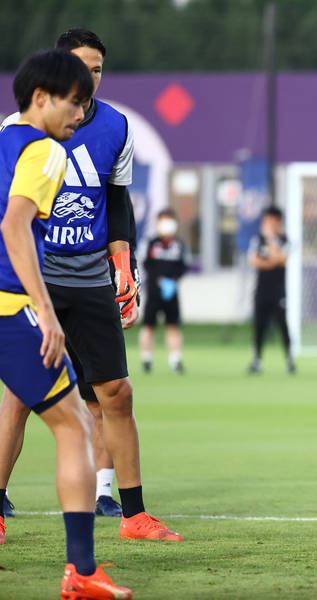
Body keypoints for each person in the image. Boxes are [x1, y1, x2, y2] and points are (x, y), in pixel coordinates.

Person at [0, 29, 183, 540]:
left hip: (88, 276)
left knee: (115, 393)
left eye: (97, 70)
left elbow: (118, 202)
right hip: (33, 277)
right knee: (24, 398)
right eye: (81, 69)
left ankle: (133, 514)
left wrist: (124, 266)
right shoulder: (21, 133)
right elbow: (12, 219)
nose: (90, 80)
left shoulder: (117, 127)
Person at [0, 48, 132, 598]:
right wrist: (45, 310)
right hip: (10, 307)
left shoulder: (1, 139)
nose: (80, 115)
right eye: (74, 104)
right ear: (41, 98)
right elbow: (14, 226)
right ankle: (81, 572)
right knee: (74, 425)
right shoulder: (46, 151)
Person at [139, 208, 188, 374]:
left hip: (171, 291)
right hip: (153, 291)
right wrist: (158, 279)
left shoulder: (179, 245)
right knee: (148, 326)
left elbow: (182, 266)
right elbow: (146, 264)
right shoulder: (151, 243)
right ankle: (146, 359)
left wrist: (172, 280)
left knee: (173, 326)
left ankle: (175, 361)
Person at [247, 205, 293, 374]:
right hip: (261, 290)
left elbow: (282, 259)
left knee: (283, 326)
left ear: (278, 221)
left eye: (271, 220)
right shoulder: (257, 240)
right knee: (259, 326)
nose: (268, 223)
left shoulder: (284, 240)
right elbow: (254, 261)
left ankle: (289, 360)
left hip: (278, 291)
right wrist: (271, 262)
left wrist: (271, 241)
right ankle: (256, 360)